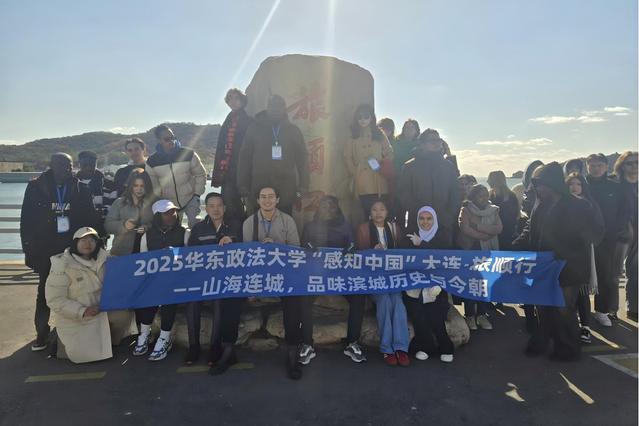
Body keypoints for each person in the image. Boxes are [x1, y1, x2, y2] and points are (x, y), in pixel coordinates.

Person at [513, 162, 604, 361]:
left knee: (563, 309)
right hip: (544, 266)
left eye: (539, 184)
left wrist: (564, 250)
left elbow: (596, 234)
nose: (537, 188)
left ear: (551, 184)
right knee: (544, 306)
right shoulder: (541, 206)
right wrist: (512, 248)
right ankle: (542, 343)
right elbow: (530, 230)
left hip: (570, 268)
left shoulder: (580, 205)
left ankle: (568, 350)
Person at [20, 153, 101, 351]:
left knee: (77, 290)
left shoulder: (81, 188)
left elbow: (90, 218)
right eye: (62, 165)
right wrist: (29, 251)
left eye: (70, 166)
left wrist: (96, 245)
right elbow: (26, 221)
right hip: (45, 248)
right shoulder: (36, 187)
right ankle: (41, 334)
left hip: (73, 248)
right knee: (44, 291)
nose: (67, 169)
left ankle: (71, 332)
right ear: (52, 165)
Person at [45, 227, 136, 363]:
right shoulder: (61, 265)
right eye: (83, 240)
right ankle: (59, 342)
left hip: (102, 309)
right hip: (78, 316)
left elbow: (127, 273)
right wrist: (82, 311)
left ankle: (108, 342)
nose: (87, 244)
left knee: (124, 315)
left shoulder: (107, 259)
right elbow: (55, 300)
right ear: (75, 243)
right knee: (80, 353)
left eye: (92, 240)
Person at [242, 186, 304, 380]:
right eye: (263, 197)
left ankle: (293, 352)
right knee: (230, 299)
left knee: (294, 303)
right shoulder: (249, 222)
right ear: (257, 200)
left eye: (271, 197)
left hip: (283, 273)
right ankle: (226, 349)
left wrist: (276, 249)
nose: (267, 200)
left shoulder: (287, 220)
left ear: (277, 200)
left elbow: (295, 252)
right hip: (259, 274)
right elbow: (246, 255)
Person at [301, 196, 367, 365]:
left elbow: (353, 245)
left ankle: (352, 343)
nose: (328, 210)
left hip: (340, 276)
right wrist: (310, 249)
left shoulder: (346, 226)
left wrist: (349, 250)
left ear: (338, 209)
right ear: (319, 209)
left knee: (359, 297)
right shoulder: (310, 227)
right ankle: (307, 344)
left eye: (332, 207)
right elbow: (302, 248)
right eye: (324, 206)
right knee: (303, 298)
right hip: (317, 276)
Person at [186, 193, 242, 374]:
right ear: (206, 208)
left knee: (219, 302)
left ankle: (215, 347)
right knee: (192, 302)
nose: (216, 209)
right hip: (202, 277)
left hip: (224, 278)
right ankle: (193, 346)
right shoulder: (198, 228)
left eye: (219, 205)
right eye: (211, 206)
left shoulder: (235, 226)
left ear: (224, 208)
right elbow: (191, 256)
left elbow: (245, 250)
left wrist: (232, 242)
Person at [133, 200, 190, 361]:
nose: (171, 215)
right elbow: (143, 260)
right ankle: (144, 334)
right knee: (148, 298)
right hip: (154, 279)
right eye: (166, 213)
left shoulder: (184, 232)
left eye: (173, 212)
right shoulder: (147, 235)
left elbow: (191, 257)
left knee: (168, 299)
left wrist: (176, 253)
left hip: (176, 280)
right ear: (158, 216)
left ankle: (164, 337)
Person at [356, 200, 410, 366]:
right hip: (373, 278)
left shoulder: (395, 228)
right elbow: (358, 255)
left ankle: (401, 347)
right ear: (369, 213)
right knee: (384, 301)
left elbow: (404, 253)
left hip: (393, 278)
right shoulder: (363, 229)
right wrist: (372, 252)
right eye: (374, 209)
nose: (378, 213)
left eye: (382, 209)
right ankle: (387, 348)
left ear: (387, 212)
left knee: (398, 302)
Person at [237, 95, 310, 215]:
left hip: (285, 188)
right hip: (259, 187)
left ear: (284, 108)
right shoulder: (254, 128)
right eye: (272, 106)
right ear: (267, 108)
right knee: (259, 222)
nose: (276, 109)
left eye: (279, 106)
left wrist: (304, 185)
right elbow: (244, 158)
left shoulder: (293, 131)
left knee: (284, 221)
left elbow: (302, 160)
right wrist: (242, 185)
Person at [404, 206, 455, 363]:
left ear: (435, 220)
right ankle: (427, 347)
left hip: (437, 287)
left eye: (429, 218)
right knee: (418, 314)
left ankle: (446, 347)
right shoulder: (410, 236)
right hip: (414, 287)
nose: (425, 222)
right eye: (421, 218)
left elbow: (442, 259)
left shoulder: (442, 236)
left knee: (433, 313)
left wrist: (421, 244)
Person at [587, 153, 631, 325]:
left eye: (599, 165)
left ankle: (602, 311)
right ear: (587, 167)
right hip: (583, 237)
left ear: (606, 167)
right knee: (580, 275)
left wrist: (616, 229)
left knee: (605, 275)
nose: (596, 169)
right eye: (592, 166)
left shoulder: (616, 187)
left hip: (608, 238)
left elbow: (625, 211)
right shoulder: (582, 185)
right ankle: (581, 311)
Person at [398, 129, 460, 248]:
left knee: (442, 258)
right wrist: (421, 212)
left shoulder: (448, 166)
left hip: (443, 225)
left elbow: (455, 194)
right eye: (432, 140)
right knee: (417, 257)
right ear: (422, 144)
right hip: (418, 222)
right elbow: (403, 193)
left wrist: (448, 216)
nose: (436, 143)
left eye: (438, 140)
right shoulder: (410, 166)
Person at [457, 184, 502, 331]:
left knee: (484, 283)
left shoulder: (493, 209)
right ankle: (470, 315)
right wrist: (484, 235)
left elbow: (498, 228)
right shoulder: (465, 209)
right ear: (473, 196)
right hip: (470, 250)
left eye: (486, 195)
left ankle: (482, 314)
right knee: (470, 283)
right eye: (480, 196)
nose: (484, 198)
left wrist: (477, 226)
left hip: (487, 251)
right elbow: (465, 228)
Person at [145, 124, 207, 227]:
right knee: (173, 230)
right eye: (167, 139)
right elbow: (153, 186)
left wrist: (197, 195)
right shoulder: (152, 161)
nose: (171, 141)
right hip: (168, 203)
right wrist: (162, 202)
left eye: (173, 137)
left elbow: (200, 174)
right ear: (159, 140)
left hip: (190, 198)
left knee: (195, 227)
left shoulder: (189, 154)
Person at [566, 173, 602, 343]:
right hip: (564, 253)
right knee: (568, 292)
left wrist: (586, 238)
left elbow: (598, 228)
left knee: (582, 291)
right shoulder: (561, 204)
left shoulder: (589, 204)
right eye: (571, 184)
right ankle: (570, 325)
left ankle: (585, 327)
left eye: (578, 184)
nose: (574, 187)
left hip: (583, 253)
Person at [343, 104, 394, 216]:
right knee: (367, 213)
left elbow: (389, 152)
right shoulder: (353, 135)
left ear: (371, 117)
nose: (363, 120)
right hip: (362, 180)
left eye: (366, 116)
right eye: (359, 117)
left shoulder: (379, 133)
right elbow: (347, 157)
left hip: (379, 178)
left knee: (382, 214)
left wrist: (381, 164)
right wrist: (356, 172)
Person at [211, 88, 253, 220]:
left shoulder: (249, 121)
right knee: (228, 204)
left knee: (242, 205)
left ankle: (241, 230)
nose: (233, 101)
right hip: (227, 171)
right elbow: (221, 148)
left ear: (242, 100)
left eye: (236, 98)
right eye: (230, 99)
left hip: (243, 170)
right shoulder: (228, 120)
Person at [104, 168, 155, 256]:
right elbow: (108, 226)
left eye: (142, 186)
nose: (139, 189)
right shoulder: (119, 202)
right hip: (122, 252)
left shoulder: (153, 203)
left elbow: (158, 224)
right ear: (130, 186)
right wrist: (124, 225)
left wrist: (147, 228)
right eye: (135, 185)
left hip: (146, 252)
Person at [613, 151, 638, 320]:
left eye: (637, 162)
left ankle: (634, 308)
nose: (634, 166)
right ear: (622, 166)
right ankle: (610, 309)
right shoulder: (615, 185)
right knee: (613, 274)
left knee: (636, 272)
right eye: (630, 163)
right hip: (620, 235)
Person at [487, 171, 519, 251]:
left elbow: (511, 217)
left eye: (489, 179)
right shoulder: (491, 195)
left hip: (505, 232)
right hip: (496, 231)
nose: (487, 181)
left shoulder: (509, 196)